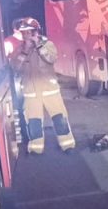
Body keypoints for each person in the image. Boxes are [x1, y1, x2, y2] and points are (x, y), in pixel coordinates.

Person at [9, 17, 76, 154]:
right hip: (30, 92)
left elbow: (51, 58)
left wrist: (38, 45)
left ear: (35, 32)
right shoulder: (20, 50)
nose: (26, 35)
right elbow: (15, 67)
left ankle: (67, 145)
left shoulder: (47, 45)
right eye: (24, 33)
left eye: (29, 32)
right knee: (33, 121)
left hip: (50, 90)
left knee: (59, 118)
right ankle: (36, 148)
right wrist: (25, 51)